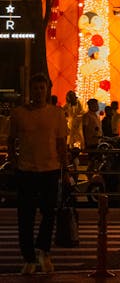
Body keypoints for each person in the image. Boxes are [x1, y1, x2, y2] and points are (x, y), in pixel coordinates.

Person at [7, 73, 68, 274]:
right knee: (25, 216)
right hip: (26, 170)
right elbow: (11, 139)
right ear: (30, 90)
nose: (39, 92)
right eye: (35, 88)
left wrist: (65, 170)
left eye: (42, 88)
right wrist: (14, 161)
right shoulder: (19, 114)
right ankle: (29, 257)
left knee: (49, 213)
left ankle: (43, 250)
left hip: (50, 169)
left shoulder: (57, 114)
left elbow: (61, 144)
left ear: (47, 90)